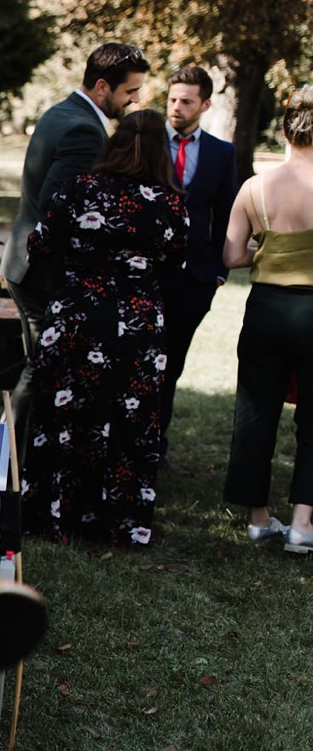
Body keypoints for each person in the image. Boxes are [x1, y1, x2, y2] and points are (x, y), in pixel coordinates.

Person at [20, 110, 187, 545]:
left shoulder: (78, 190)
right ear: (161, 153)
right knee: (128, 419)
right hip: (138, 323)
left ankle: (54, 513)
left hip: (78, 314)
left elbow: (38, 244)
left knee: (67, 412)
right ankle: (119, 520)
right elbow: (176, 264)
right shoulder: (170, 203)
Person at [4, 43, 150, 451]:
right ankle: (11, 457)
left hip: (25, 261)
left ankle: (21, 453)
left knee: (40, 365)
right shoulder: (84, 129)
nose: (135, 99)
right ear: (102, 86)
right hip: (42, 269)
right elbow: (59, 206)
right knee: (42, 368)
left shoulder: (62, 111)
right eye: (130, 91)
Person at [223, 86, 313, 551]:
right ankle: (302, 522)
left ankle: (258, 517)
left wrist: (269, 250)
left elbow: (232, 254)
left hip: (266, 310)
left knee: (256, 411)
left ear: (283, 128)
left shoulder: (254, 187)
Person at [159, 65, 238, 466]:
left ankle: (158, 445)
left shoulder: (223, 154)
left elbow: (226, 214)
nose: (176, 107)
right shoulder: (146, 143)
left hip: (195, 278)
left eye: (186, 101)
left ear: (205, 105)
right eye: (172, 99)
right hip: (147, 275)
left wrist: (219, 271)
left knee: (171, 365)